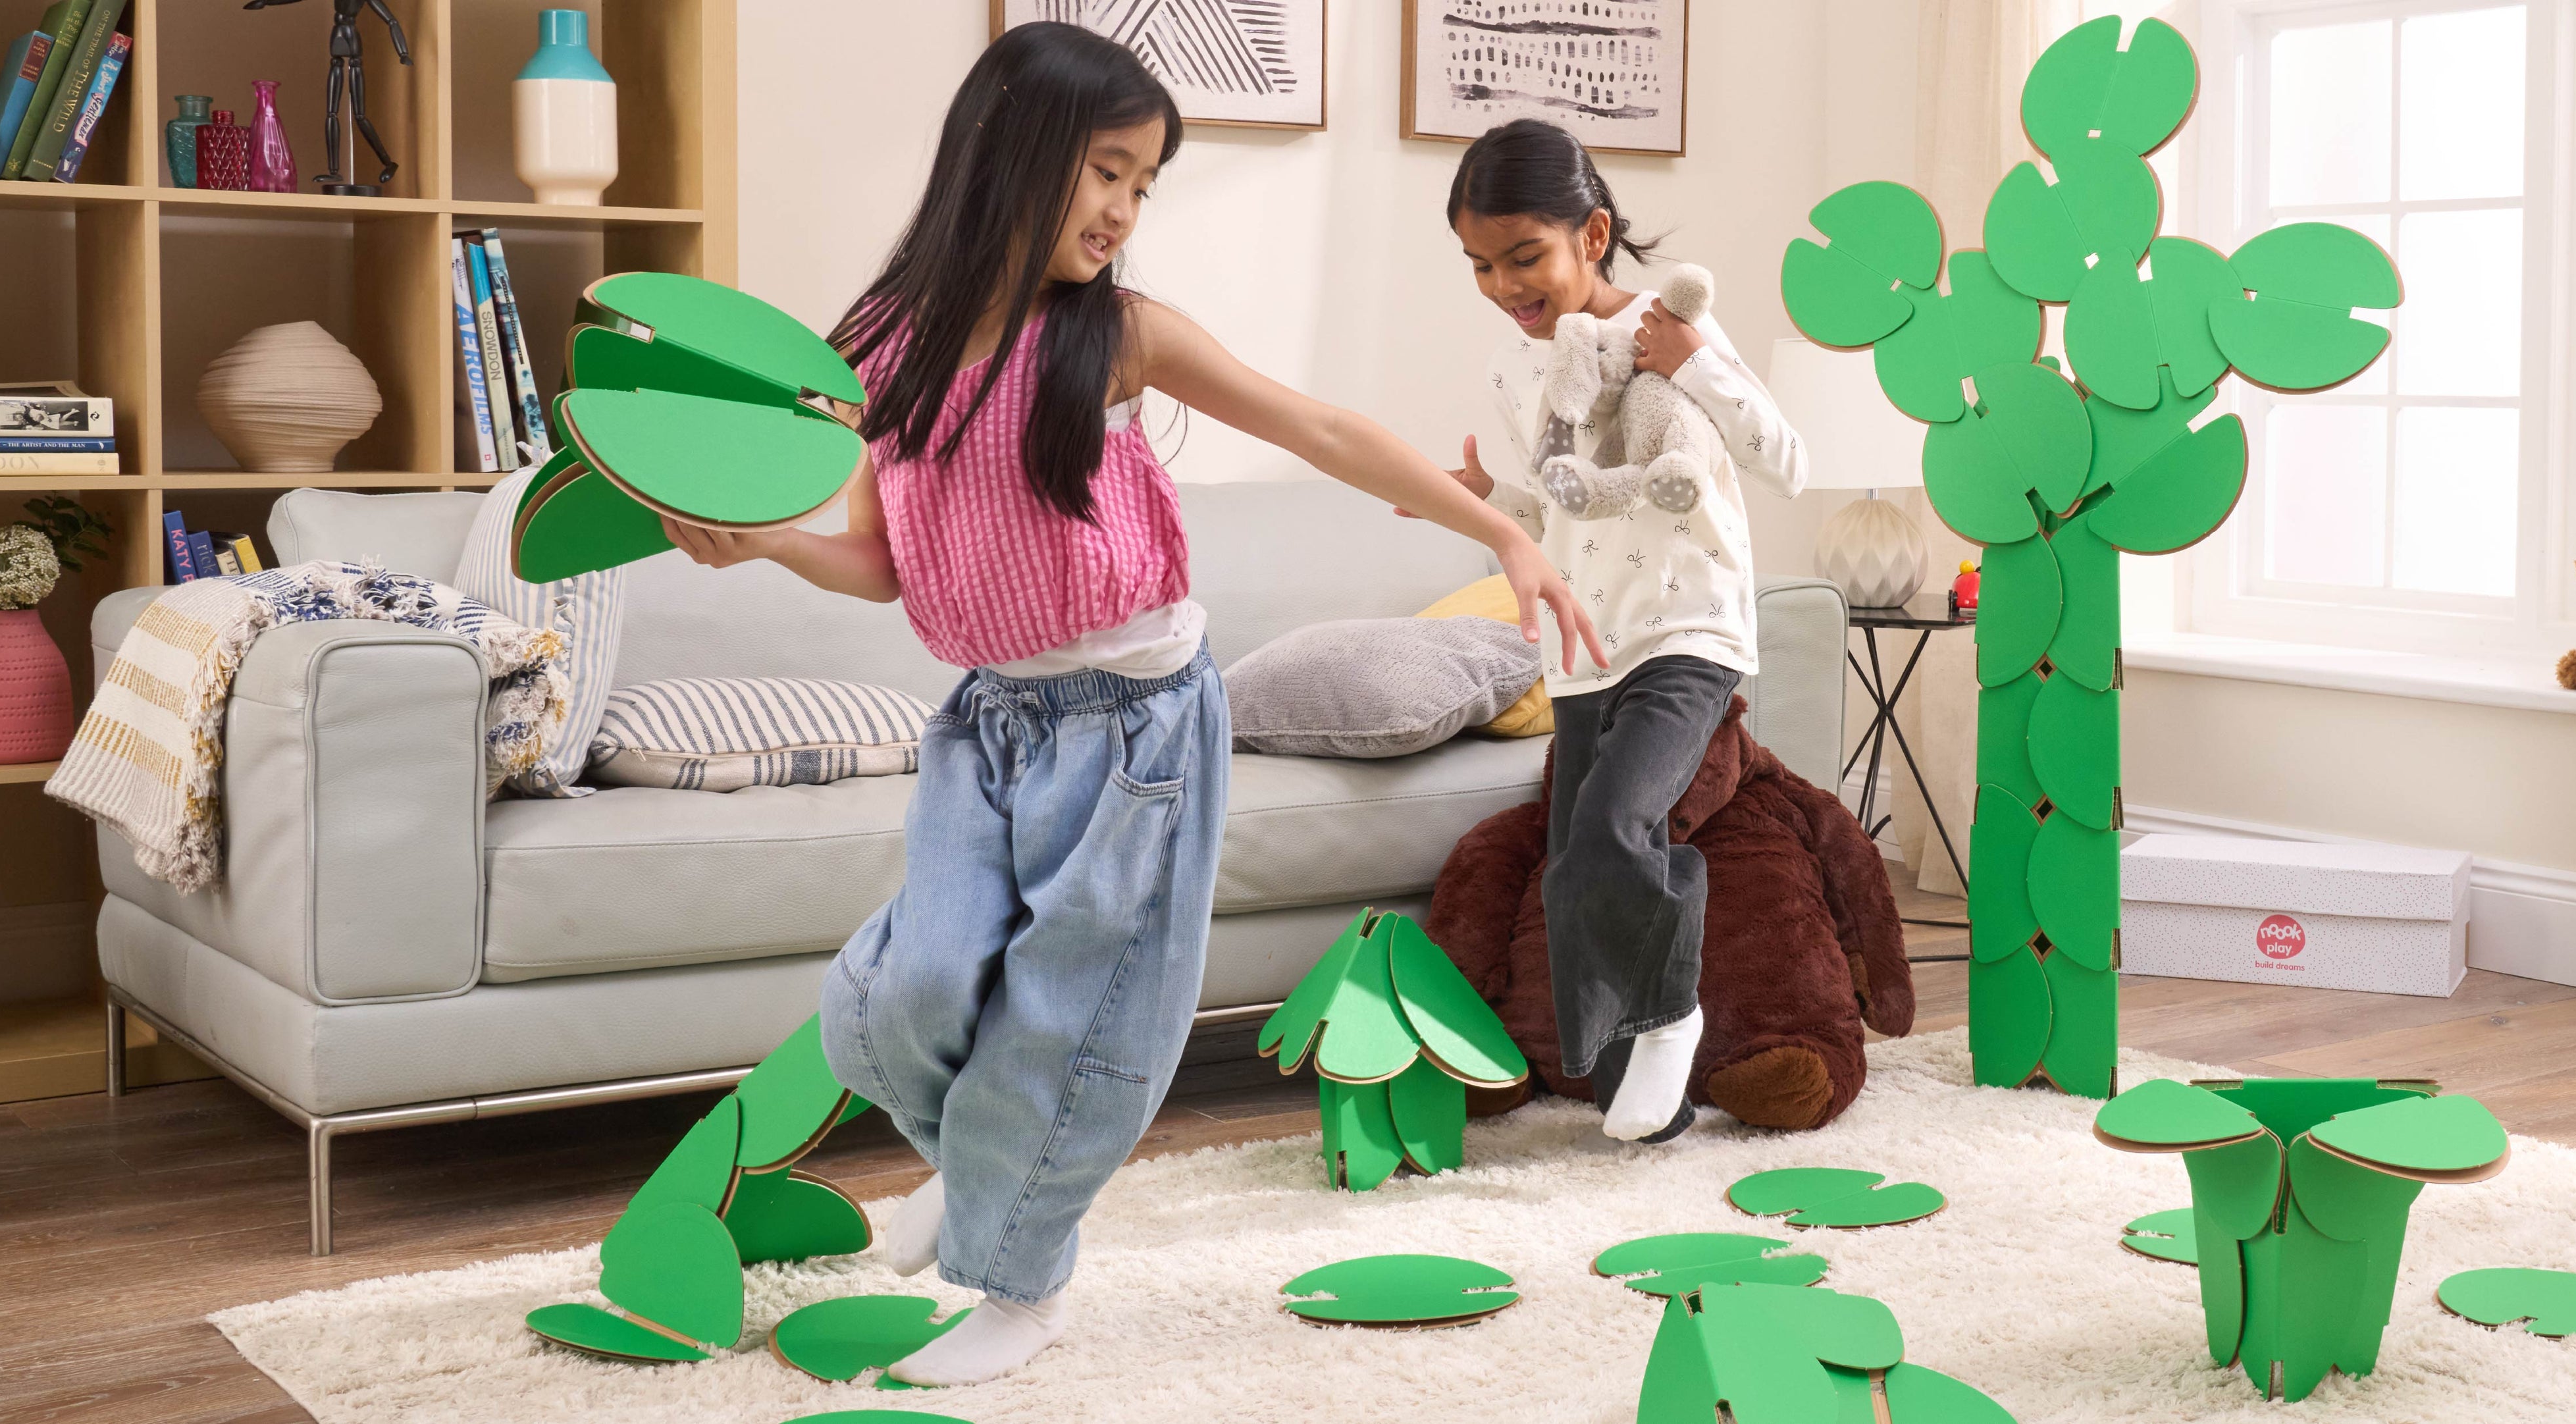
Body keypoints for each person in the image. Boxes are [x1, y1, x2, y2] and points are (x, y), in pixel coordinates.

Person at [661, 24, 1604, 1386]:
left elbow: (1322, 429)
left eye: (1144, 184)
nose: (1121, 211)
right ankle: (990, 1181)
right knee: (900, 997)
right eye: (1105, 171)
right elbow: (883, 562)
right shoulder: (882, 342)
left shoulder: (1116, 336)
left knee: (1067, 1018)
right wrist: (770, 545)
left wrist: (1504, 535)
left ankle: (1019, 1280)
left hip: (1139, 729)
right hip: (988, 726)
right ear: (1008, 152)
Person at [1433, 119, 1810, 1144]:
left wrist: (1695, 367)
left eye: (1524, 257)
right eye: (1479, 264)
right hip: (1584, 644)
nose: (1505, 284)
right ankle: (1651, 1091)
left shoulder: (1669, 327)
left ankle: (1672, 1013)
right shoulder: (1522, 371)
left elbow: (1788, 461)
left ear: (1591, 236)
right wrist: (1480, 500)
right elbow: (1569, 504)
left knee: (1613, 827)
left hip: (1689, 628)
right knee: (1572, 874)